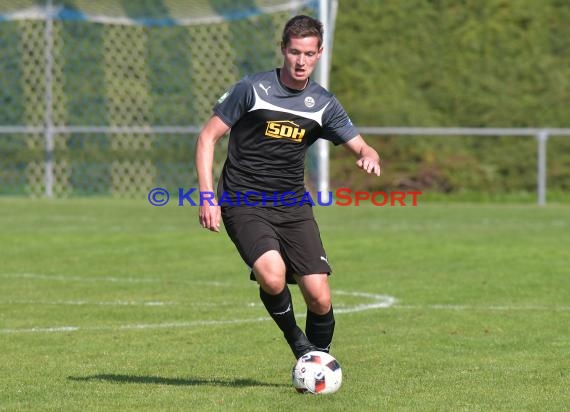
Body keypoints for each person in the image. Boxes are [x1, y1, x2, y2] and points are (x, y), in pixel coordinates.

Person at [195, 15, 381, 360]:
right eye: (295, 52)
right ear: (283, 50)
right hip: (243, 200)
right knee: (273, 275)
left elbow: (361, 145)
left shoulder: (323, 103)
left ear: (319, 53)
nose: (301, 61)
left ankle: (318, 361)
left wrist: (368, 154)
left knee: (319, 296)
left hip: (293, 205)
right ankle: (300, 346)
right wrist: (207, 198)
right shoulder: (252, 89)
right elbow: (207, 138)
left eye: (309, 54)